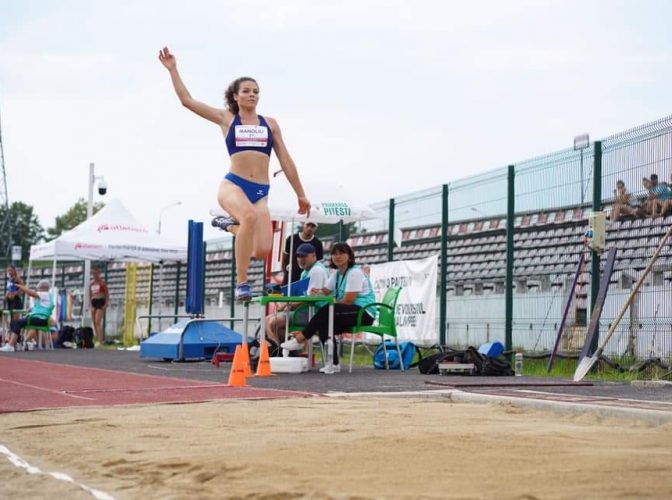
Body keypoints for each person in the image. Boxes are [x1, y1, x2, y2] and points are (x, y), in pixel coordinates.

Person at [159, 47, 310, 301]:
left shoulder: (270, 124)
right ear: (235, 96)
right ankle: (242, 283)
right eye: (247, 91)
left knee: (262, 250)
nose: (252, 95)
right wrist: (173, 70)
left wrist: (301, 194)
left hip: (261, 192)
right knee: (249, 217)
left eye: (256, 91)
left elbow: (285, 158)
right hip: (234, 185)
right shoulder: (226, 118)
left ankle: (230, 225)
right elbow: (187, 101)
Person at [281, 242, 376, 373]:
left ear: (349, 256)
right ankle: (334, 364)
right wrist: (317, 292)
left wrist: (332, 300)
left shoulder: (354, 272)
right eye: (334, 254)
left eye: (342, 253)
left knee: (327, 309)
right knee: (324, 324)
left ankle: (301, 338)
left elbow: (348, 301)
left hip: (364, 312)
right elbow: (325, 291)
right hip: (348, 311)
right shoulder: (336, 273)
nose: (337, 256)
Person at [265, 243, 330, 348]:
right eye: (299, 256)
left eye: (304, 256)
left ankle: (276, 350)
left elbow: (311, 298)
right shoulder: (306, 271)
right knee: (267, 320)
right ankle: (287, 350)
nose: (300, 259)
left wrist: (288, 304)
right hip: (306, 310)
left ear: (314, 256)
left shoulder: (316, 271)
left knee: (273, 322)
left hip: (314, 313)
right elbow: (304, 295)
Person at [1, 279, 54, 352]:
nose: (37, 291)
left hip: (39, 319)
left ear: (43, 288)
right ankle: (14, 343)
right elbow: (43, 307)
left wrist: (21, 286)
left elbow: (30, 293)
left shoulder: (45, 294)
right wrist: (32, 309)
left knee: (17, 322)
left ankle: (11, 345)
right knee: (15, 322)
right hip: (41, 318)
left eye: (38, 289)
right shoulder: (49, 296)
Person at [89, 267, 109, 344]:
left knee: (98, 321)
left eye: (96, 273)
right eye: (93, 273)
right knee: (94, 321)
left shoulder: (102, 283)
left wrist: (106, 303)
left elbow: (106, 293)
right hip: (94, 301)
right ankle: (98, 338)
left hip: (100, 301)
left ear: (99, 273)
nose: (94, 275)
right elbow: (90, 294)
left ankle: (101, 340)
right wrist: (91, 305)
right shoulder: (91, 284)